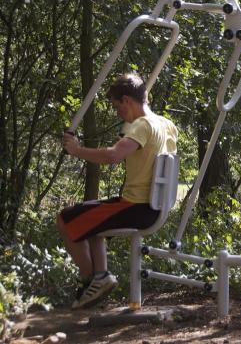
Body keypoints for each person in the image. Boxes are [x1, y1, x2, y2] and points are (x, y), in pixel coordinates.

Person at [58, 73, 178, 310]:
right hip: (154, 207)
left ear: (127, 100)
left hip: (136, 207)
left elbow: (113, 156)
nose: (117, 113)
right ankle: (100, 276)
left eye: (117, 107)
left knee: (65, 219)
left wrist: (77, 150)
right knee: (92, 223)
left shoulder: (142, 125)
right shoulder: (166, 124)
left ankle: (92, 281)